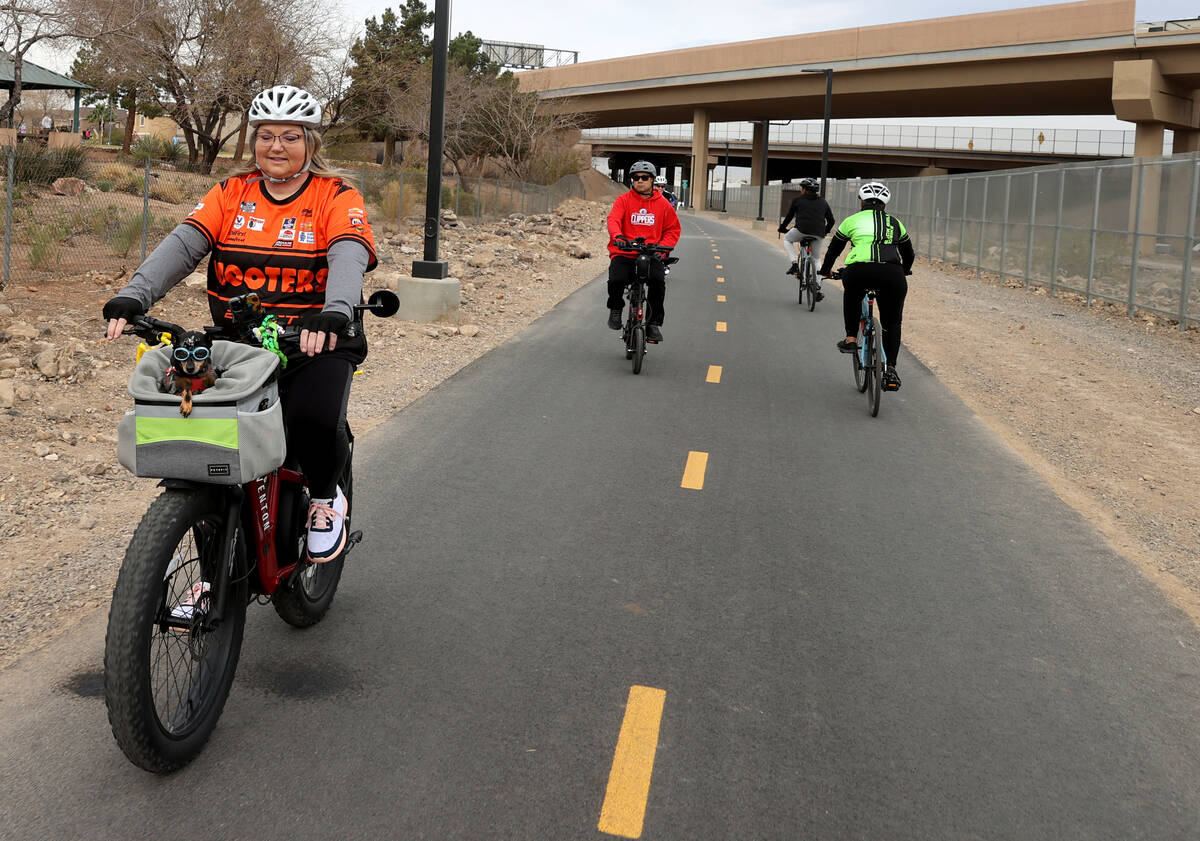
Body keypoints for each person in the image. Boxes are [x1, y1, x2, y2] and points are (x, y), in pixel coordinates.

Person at [103, 84, 377, 563]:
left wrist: (336, 308)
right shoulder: (232, 192)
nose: (276, 147)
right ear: (253, 141)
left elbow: (348, 252)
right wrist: (134, 295)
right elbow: (185, 245)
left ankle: (327, 497)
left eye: (291, 137)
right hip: (241, 341)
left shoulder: (336, 195)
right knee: (207, 439)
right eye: (266, 135)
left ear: (310, 143)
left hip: (317, 336)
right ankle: (212, 578)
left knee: (309, 418)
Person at [818, 180, 914, 391]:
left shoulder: (851, 221)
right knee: (893, 322)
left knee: (852, 295)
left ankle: (851, 337)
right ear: (885, 205)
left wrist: (826, 270)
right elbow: (909, 253)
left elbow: (834, 250)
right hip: (892, 273)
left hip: (859, 271)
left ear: (861, 202)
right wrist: (904, 270)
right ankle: (891, 370)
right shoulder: (896, 223)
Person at [605, 160, 681, 343]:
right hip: (625, 252)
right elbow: (613, 219)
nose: (639, 181)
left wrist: (663, 250)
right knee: (616, 279)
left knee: (658, 282)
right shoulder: (623, 200)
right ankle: (615, 311)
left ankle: (653, 324)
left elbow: (673, 230)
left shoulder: (663, 205)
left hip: (651, 252)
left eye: (644, 177)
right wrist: (618, 237)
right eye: (635, 178)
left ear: (652, 180)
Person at [778, 177, 834, 301]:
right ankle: (817, 288)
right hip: (818, 234)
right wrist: (824, 232)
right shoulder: (823, 202)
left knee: (787, 240)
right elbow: (831, 220)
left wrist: (782, 228)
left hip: (800, 231)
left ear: (804, 190)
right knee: (817, 259)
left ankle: (794, 265)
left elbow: (789, 217)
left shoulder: (797, 200)